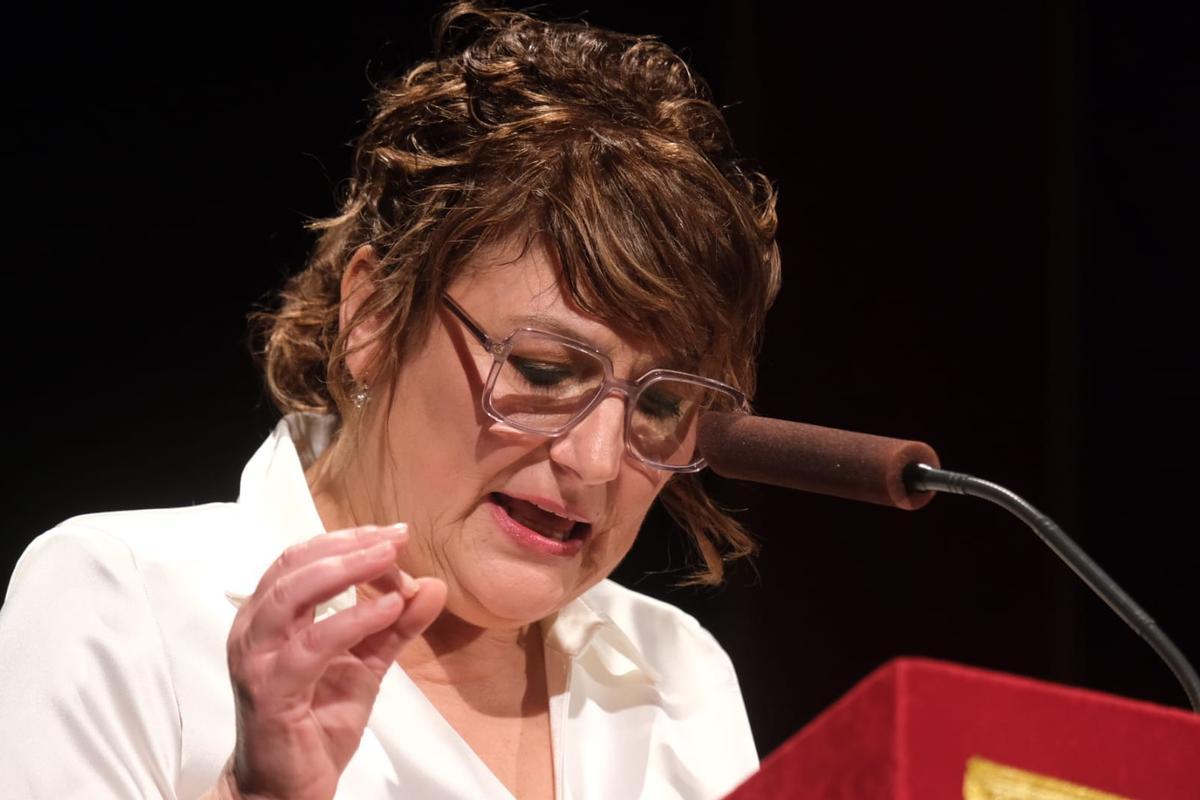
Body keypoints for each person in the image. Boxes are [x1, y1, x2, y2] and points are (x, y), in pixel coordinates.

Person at [0, 3, 780, 798]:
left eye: (658, 406)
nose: (598, 459)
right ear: (373, 315)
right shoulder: (125, 605)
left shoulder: (678, 673)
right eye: (545, 372)